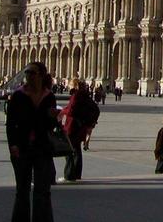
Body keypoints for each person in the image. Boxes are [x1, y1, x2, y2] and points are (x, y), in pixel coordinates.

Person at [6, 61, 57, 222]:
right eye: (26, 72)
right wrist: (12, 144)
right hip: (22, 147)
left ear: (41, 76)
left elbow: (51, 125)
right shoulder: (18, 96)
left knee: (43, 190)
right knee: (22, 190)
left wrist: (53, 117)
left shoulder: (49, 96)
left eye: (31, 72)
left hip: (42, 147)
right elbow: (11, 123)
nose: (27, 75)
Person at [59, 82, 99, 182]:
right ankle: (77, 173)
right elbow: (95, 108)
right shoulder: (85, 96)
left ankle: (69, 175)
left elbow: (71, 110)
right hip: (81, 126)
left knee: (68, 149)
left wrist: (63, 111)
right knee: (77, 149)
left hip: (72, 126)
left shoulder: (75, 96)